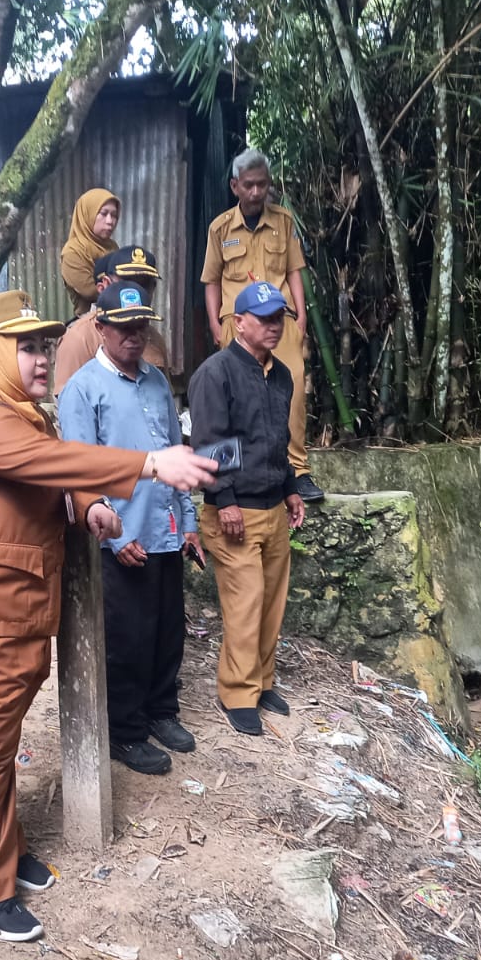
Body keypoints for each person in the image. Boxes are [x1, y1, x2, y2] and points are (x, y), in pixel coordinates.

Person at [0, 291, 216, 942]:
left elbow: (40, 485)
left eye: (45, 345)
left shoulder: (13, 414)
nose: (42, 358)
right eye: (26, 346)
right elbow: (43, 463)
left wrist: (83, 508)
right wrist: (150, 462)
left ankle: (3, 852)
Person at [57, 281, 201, 775]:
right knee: (127, 637)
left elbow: (174, 457)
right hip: (122, 533)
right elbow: (78, 470)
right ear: (100, 328)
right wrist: (115, 537)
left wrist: (188, 521)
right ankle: (125, 730)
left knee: (166, 631)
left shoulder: (158, 383)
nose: (133, 338)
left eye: (140, 328)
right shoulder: (82, 389)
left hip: (164, 529)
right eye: (123, 329)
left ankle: (162, 711)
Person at [189, 281, 307, 737]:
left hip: (273, 507)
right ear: (239, 323)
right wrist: (224, 500)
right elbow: (210, 442)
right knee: (245, 603)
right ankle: (237, 692)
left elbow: (280, 440)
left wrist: (292, 487)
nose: (275, 326)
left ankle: (262, 682)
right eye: (265, 319)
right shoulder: (215, 374)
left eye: (279, 318)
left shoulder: (280, 375)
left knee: (272, 602)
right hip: (233, 511)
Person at [200, 148, 325, 503]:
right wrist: (215, 322)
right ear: (235, 186)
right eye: (249, 186)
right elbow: (211, 280)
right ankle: (234, 475)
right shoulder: (220, 229)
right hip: (236, 323)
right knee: (236, 398)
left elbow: (293, 272)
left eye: (263, 185)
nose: (256, 193)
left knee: (293, 390)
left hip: (279, 319)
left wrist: (300, 317)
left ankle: (297, 471)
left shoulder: (283, 221)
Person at [52, 244, 170, 398]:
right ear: (105, 285)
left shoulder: (153, 338)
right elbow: (68, 409)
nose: (137, 292)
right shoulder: (79, 338)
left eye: (145, 285)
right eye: (128, 283)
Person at [59, 188, 121, 315]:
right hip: (90, 321)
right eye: (103, 214)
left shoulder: (112, 247)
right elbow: (90, 291)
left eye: (114, 215)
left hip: (119, 316)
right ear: (87, 214)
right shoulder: (73, 252)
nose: (110, 221)